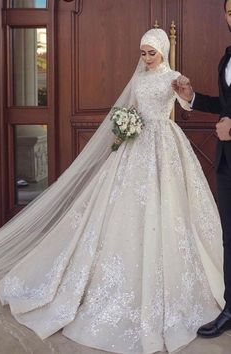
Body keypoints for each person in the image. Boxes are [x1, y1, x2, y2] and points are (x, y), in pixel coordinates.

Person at [0, 29, 225, 354]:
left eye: (151, 53)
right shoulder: (139, 78)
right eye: (143, 53)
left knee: (171, 208)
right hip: (136, 147)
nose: (145, 58)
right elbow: (129, 109)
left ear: (163, 51)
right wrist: (122, 132)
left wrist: (185, 93)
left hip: (165, 146)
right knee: (120, 212)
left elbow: (186, 106)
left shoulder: (173, 76)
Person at [172, 0, 231, 339]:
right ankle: (230, 308)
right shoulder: (226, 58)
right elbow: (226, 106)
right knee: (230, 239)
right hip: (226, 162)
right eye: (229, 10)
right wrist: (191, 97)